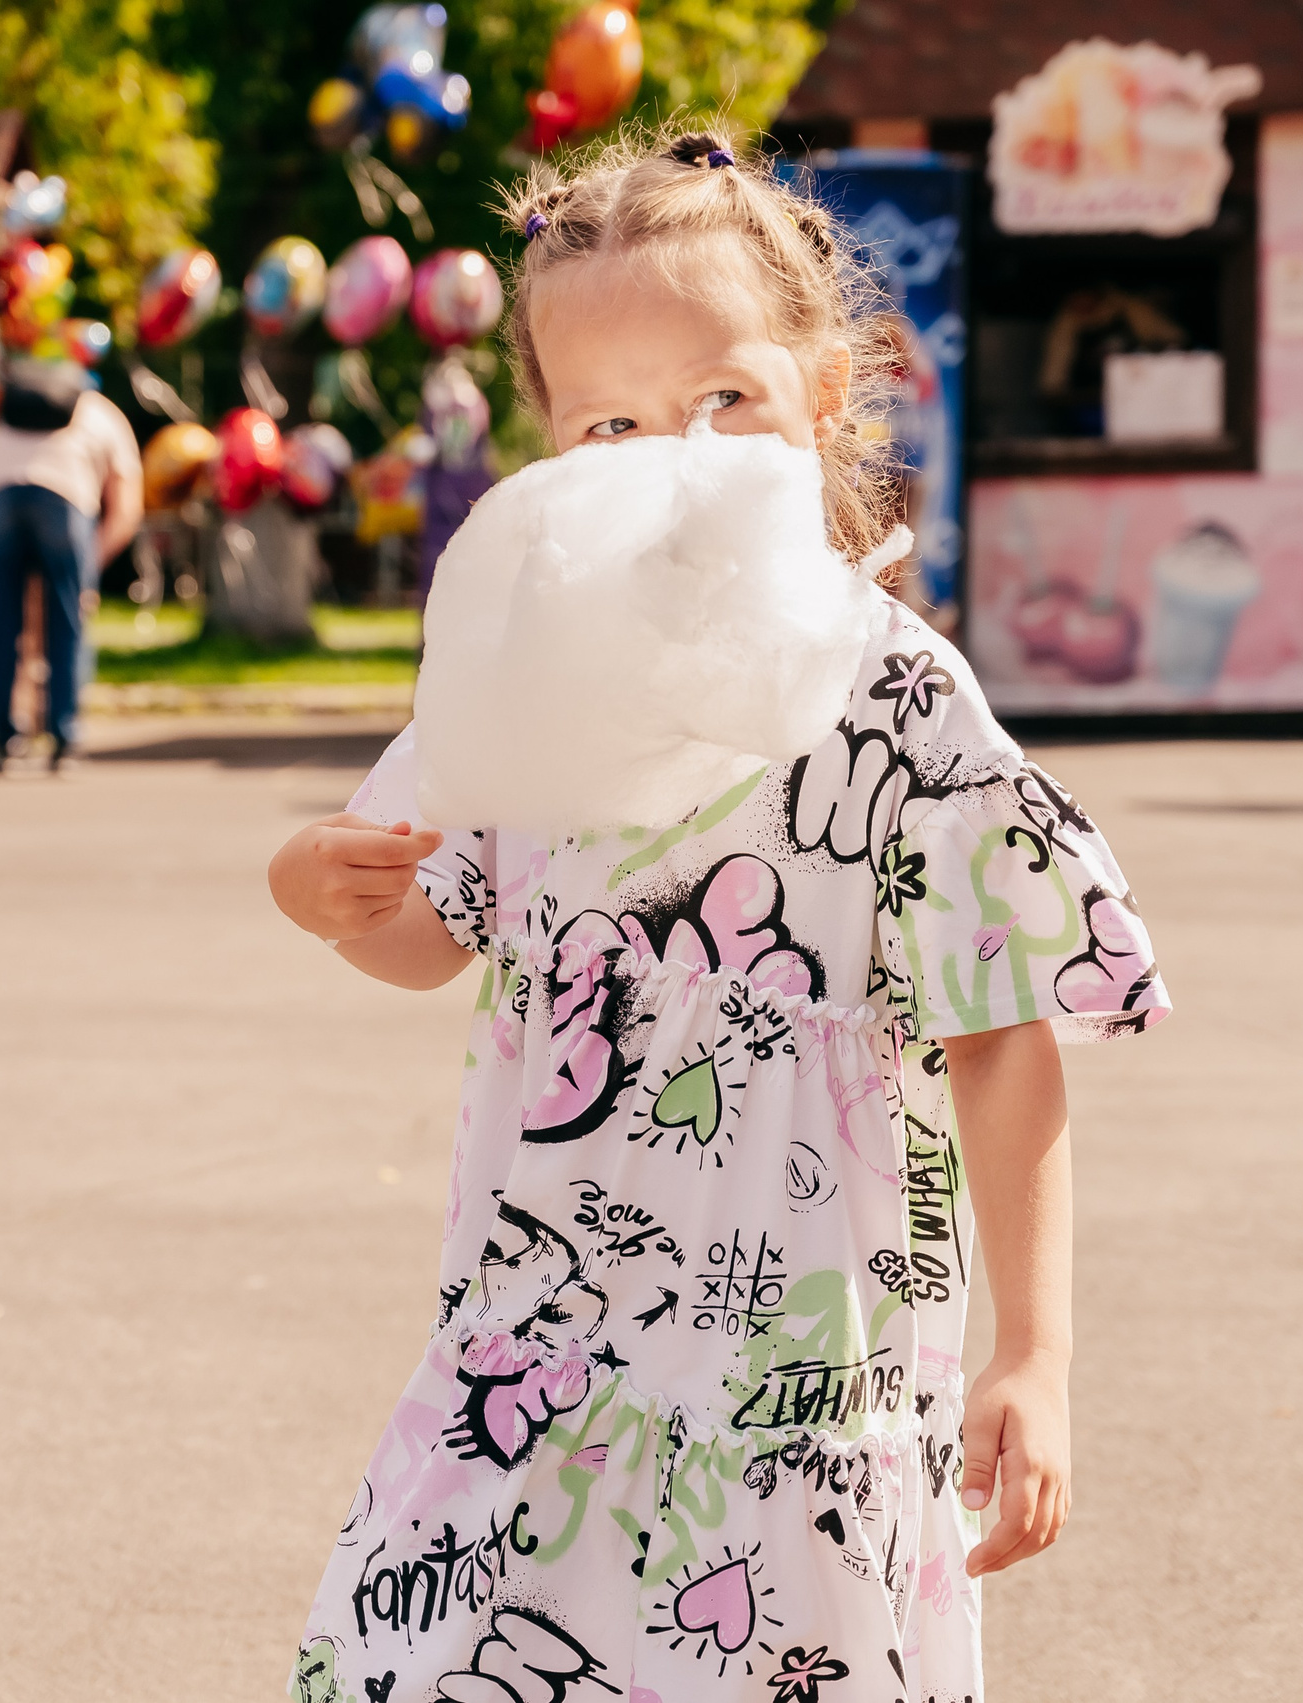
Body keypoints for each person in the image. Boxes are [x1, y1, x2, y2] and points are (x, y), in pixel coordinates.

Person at [265, 132, 1169, 1699]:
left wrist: (1037, 1351)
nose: (672, 453)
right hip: (537, 1350)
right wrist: (327, 891)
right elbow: (430, 933)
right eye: (612, 421)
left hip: (804, 1378)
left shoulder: (897, 695)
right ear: (552, 449)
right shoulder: (523, 674)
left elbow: (1002, 1037)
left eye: (723, 401)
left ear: (825, 395)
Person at [0, 358, 141, 772]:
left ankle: (1, 739)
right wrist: (89, 569)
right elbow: (126, 506)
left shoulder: (5, 408)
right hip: (62, 501)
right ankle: (64, 738)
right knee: (66, 624)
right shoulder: (102, 412)